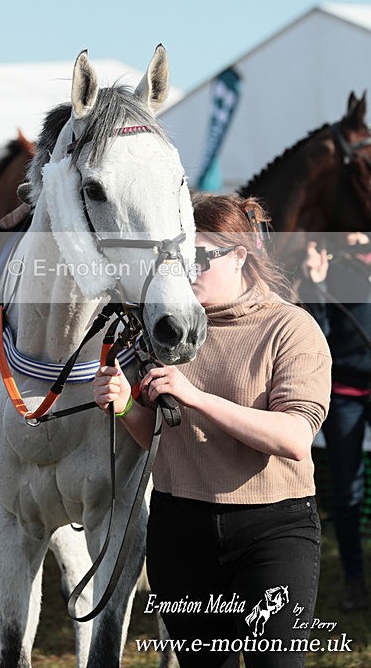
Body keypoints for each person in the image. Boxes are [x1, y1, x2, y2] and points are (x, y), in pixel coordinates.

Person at [93, 193, 332, 668]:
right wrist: (125, 408)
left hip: (272, 531)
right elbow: (163, 440)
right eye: (177, 259)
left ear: (241, 254)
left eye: (200, 257)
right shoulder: (166, 329)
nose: (185, 271)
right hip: (180, 529)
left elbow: (293, 438)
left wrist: (198, 397)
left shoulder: (290, 327)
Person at [300, 233, 371, 611]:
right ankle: (354, 581)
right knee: (348, 491)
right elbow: (318, 337)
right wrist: (316, 284)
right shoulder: (332, 267)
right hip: (345, 393)